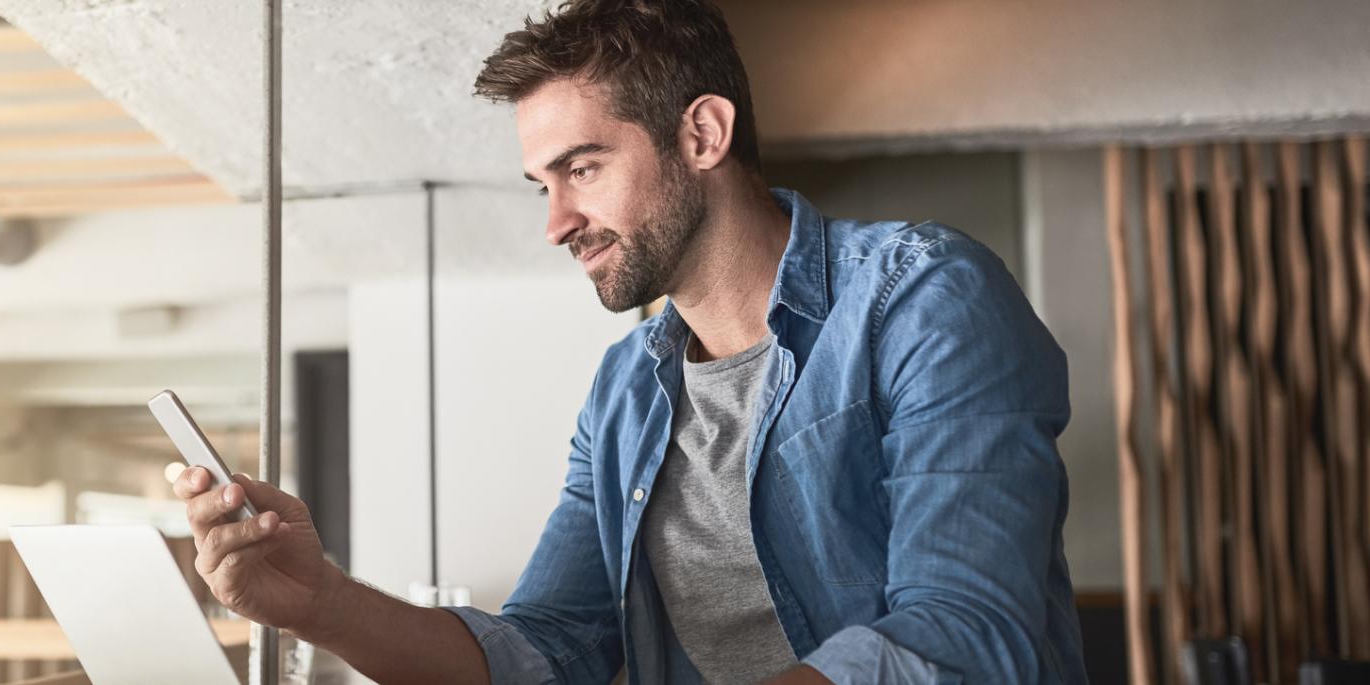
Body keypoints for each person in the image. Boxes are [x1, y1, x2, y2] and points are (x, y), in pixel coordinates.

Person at [173, 0, 1088, 682]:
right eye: (542, 183)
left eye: (582, 167)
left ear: (702, 132)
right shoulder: (625, 394)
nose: (557, 220)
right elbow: (544, 649)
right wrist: (321, 600)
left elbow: (966, 631)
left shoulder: (920, 297)